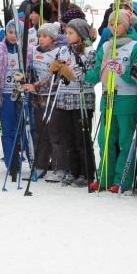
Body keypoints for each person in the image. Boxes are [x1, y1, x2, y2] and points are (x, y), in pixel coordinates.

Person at [89, 9, 137, 192]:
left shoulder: (134, 46)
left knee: (125, 139)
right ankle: (104, 176)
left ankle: (122, 179)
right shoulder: (105, 46)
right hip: (108, 96)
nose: (113, 27)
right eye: (111, 24)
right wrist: (78, 75)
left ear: (126, 26)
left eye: (117, 23)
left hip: (127, 97)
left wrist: (122, 70)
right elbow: (96, 72)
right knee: (105, 139)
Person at [46, 18, 97, 188]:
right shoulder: (62, 51)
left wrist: (70, 72)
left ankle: (86, 172)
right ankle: (73, 171)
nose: (67, 36)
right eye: (66, 33)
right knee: (68, 138)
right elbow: (57, 74)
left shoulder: (89, 52)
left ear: (81, 34)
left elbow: (89, 77)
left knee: (81, 137)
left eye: (71, 33)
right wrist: (55, 70)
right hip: (65, 98)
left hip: (81, 99)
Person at [0, 19, 27, 179]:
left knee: (23, 129)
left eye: (16, 33)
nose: (13, 36)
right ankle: (12, 163)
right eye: (10, 32)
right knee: (7, 130)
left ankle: (23, 156)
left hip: (22, 95)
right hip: (4, 96)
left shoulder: (26, 50)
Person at [23, 22, 62, 179]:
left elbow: (53, 76)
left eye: (45, 36)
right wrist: (25, 81)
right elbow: (30, 70)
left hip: (51, 97)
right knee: (40, 133)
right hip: (37, 98)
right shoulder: (34, 51)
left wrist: (36, 86)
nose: (41, 39)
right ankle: (40, 165)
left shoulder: (58, 52)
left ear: (53, 38)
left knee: (54, 133)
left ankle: (59, 167)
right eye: (39, 36)